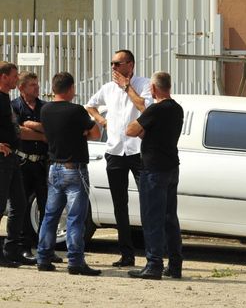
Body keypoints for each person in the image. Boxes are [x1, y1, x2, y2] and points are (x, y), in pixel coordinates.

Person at [86, 49, 152, 267]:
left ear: (130, 65)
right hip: (115, 151)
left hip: (137, 151)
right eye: (112, 63)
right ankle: (126, 254)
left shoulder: (143, 84)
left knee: (147, 201)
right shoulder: (107, 88)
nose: (113, 67)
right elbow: (90, 105)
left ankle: (153, 255)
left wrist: (126, 87)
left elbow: (145, 107)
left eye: (117, 63)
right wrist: (102, 121)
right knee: (119, 205)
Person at [37, 72, 101, 275]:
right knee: (75, 217)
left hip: (54, 167)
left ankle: (43, 258)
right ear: (71, 88)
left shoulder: (45, 109)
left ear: (54, 88)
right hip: (75, 168)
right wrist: (81, 134)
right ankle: (75, 261)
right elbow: (96, 133)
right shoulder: (76, 110)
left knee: (50, 216)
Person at [126, 72, 183, 280]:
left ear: (153, 88)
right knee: (169, 218)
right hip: (171, 167)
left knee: (152, 218)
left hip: (154, 170)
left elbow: (131, 130)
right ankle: (175, 264)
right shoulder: (176, 108)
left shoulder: (156, 110)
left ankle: (154, 264)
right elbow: (154, 132)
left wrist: (140, 118)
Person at [11, 71, 62, 264]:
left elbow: (53, 130)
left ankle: (45, 248)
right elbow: (19, 132)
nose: (37, 88)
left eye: (37, 84)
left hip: (42, 163)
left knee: (46, 207)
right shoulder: (14, 106)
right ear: (21, 88)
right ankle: (24, 247)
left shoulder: (45, 107)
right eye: (32, 85)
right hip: (23, 163)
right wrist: (42, 134)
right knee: (22, 206)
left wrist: (31, 124)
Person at [0, 62, 45, 267]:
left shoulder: (5, 98)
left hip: (13, 158)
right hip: (2, 158)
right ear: (4, 77)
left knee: (19, 203)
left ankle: (12, 250)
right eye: (14, 75)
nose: (16, 79)